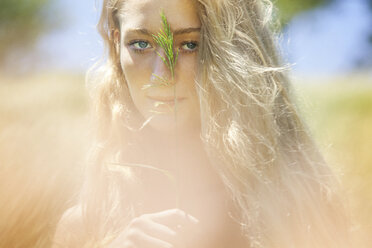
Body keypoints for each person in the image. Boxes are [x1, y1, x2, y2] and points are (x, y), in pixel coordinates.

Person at [53, 0, 353, 247]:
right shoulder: (85, 226)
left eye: (190, 45)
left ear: (234, 55)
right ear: (116, 44)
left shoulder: (297, 210)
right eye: (141, 43)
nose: (162, 74)